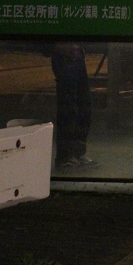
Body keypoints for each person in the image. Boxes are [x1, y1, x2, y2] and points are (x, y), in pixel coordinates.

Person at [51, 42, 98, 170]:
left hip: (74, 58)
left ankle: (76, 153)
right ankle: (65, 156)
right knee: (68, 109)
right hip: (65, 57)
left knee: (84, 107)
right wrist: (56, 47)